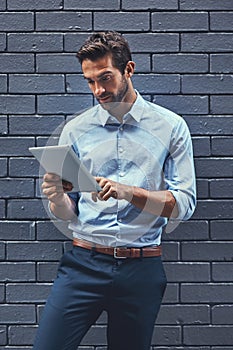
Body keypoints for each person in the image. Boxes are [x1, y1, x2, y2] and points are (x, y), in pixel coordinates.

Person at [33, 31, 196, 350]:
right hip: (83, 263)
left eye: (105, 78)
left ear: (129, 70)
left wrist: (129, 192)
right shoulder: (76, 129)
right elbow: (70, 214)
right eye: (90, 81)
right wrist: (56, 197)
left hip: (142, 268)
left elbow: (184, 205)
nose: (98, 90)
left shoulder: (171, 127)